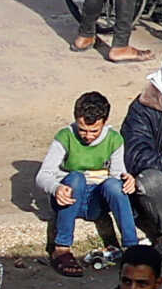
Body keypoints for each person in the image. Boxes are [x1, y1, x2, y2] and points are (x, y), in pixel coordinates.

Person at [38, 89, 138, 276]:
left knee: (115, 186)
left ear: (104, 123)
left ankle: (132, 248)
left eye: (94, 131)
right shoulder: (65, 136)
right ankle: (62, 248)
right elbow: (43, 175)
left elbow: (117, 174)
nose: (88, 136)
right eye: (83, 129)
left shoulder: (114, 140)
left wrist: (128, 180)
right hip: (69, 197)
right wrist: (56, 188)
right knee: (76, 178)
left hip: (96, 202)